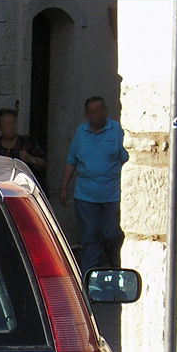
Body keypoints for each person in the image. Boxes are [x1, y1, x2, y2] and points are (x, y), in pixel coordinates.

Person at [60, 96, 129, 272]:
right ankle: (89, 282)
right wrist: (63, 188)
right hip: (86, 195)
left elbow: (127, 161)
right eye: (94, 111)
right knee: (90, 239)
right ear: (86, 115)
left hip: (112, 195)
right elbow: (71, 161)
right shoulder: (81, 132)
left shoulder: (117, 130)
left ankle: (117, 269)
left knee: (111, 235)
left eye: (101, 109)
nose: (99, 114)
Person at [0, 108, 46, 177]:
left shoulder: (27, 142)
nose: (11, 127)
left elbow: (44, 165)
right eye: (7, 124)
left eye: (13, 123)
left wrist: (30, 159)